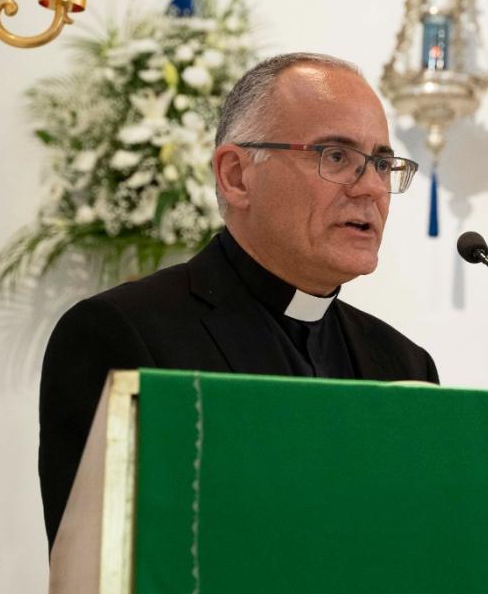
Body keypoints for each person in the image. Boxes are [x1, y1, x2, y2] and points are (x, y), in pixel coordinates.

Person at [38, 52, 438, 548]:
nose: (373, 188)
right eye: (336, 157)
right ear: (236, 175)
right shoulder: (125, 334)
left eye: (381, 162)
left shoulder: (404, 365)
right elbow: (108, 580)